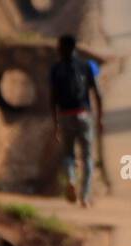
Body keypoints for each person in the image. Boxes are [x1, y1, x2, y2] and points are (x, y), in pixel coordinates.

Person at [50, 34, 103, 208]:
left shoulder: (55, 69)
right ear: (75, 48)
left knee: (69, 154)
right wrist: (100, 119)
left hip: (65, 116)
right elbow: (97, 93)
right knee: (88, 157)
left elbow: (52, 99)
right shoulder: (86, 66)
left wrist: (56, 124)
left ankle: (72, 179)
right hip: (84, 115)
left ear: (62, 48)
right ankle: (85, 196)